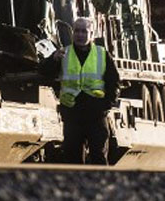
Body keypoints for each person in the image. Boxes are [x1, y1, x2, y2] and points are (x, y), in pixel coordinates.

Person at [41, 17, 119, 164]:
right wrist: (53, 59)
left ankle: (100, 184)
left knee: (99, 156)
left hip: (95, 115)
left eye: (84, 31)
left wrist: (107, 105)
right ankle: (76, 186)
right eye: (77, 31)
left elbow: (113, 81)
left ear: (91, 34)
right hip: (72, 114)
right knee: (73, 157)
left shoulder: (102, 54)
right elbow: (44, 73)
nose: (80, 35)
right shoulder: (64, 53)